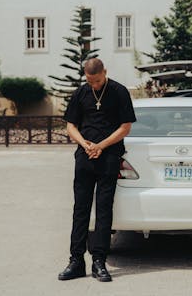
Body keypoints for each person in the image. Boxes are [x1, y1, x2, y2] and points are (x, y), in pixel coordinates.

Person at [58, 58, 136, 282]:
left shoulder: (119, 92)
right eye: (90, 81)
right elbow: (70, 125)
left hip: (109, 156)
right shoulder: (81, 93)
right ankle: (76, 261)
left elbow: (126, 127)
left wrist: (101, 146)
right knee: (80, 209)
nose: (94, 85)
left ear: (105, 73)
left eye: (98, 80)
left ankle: (99, 261)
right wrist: (85, 144)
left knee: (103, 210)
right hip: (85, 156)